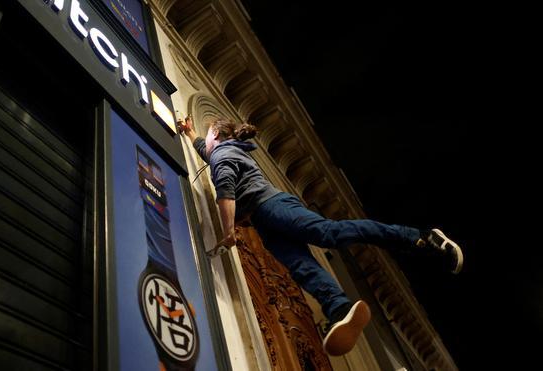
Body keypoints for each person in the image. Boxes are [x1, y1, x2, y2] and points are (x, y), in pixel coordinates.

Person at [178, 115, 464, 356]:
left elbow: (225, 192)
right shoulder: (222, 150)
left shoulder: (223, 153)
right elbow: (206, 149)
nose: (207, 142)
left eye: (207, 135)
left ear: (216, 132)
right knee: (301, 267)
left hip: (273, 207)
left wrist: (228, 233)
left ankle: (422, 238)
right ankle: (339, 308)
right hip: (266, 220)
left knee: (328, 234)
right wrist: (191, 133)